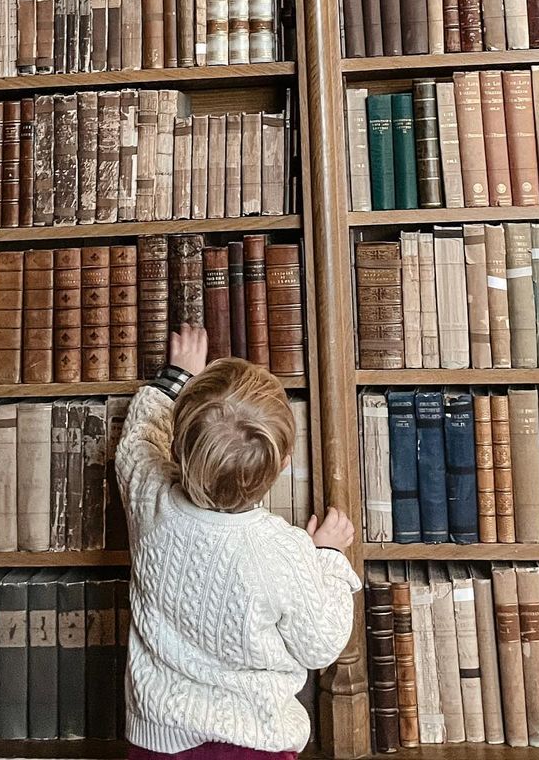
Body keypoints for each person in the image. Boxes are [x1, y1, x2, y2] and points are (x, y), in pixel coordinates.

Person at [116, 322, 361, 760]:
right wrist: (326, 556)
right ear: (283, 465)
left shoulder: (150, 499)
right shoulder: (282, 550)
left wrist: (178, 378)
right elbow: (321, 643)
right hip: (255, 743)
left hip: (157, 741)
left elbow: (136, 442)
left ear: (176, 447)